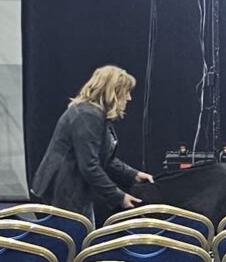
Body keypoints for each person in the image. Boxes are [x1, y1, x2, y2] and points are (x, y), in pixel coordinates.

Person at [31, 65, 155, 219]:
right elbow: (89, 166)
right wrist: (118, 196)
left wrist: (133, 174)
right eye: (126, 92)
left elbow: (105, 159)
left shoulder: (94, 114)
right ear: (112, 92)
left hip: (71, 194)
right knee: (77, 234)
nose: (129, 98)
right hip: (62, 197)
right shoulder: (87, 116)